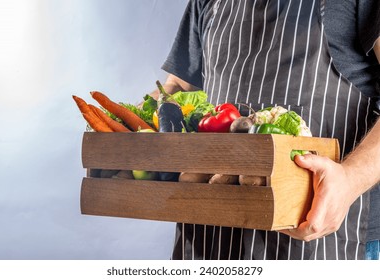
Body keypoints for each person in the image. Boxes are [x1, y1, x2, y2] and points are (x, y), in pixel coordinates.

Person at [151, 0, 380, 260]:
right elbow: (178, 87)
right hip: (211, 228)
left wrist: (350, 180)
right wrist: (119, 122)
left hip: (320, 232)